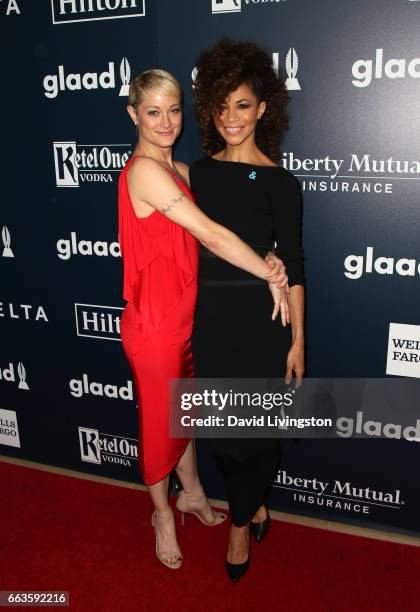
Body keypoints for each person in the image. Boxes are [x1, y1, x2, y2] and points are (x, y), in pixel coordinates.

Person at [118, 69, 289, 570]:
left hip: (185, 322)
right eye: (153, 112)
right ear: (134, 116)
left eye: (173, 110)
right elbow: (213, 237)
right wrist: (269, 277)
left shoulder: (181, 171)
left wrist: (272, 256)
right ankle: (161, 516)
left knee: (184, 416)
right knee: (158, 426)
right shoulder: (144, 171)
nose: (166, 121)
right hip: (154, 326)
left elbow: (236, 218)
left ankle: (191, 494)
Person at [190, 39, 305, 582]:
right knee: (221, 428)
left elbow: (296, 264)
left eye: (242, 104)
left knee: (254, 431)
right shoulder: (196, 174)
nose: (231, 117)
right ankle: (253, 504)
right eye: (221, 104)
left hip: (263, 324)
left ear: (263, 109)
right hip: (211, 320)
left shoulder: (281, 182)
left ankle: (239, 526)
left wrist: (298, 340)